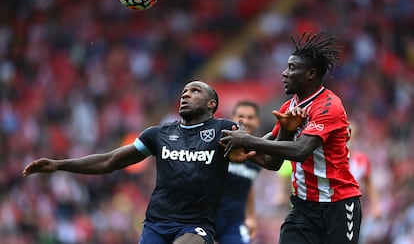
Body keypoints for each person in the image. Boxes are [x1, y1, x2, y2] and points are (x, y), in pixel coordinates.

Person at [22, 80, 257, 244]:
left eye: (195, 91)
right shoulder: (157, 134)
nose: (185, 94)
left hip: (195, 225)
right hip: (156, 224)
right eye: (184, 91)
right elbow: (110, 161)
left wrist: (260, 139)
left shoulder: (224, 129)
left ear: (211, 104)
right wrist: (59, 164)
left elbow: (265, 156)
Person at [220, 32, 363, 244]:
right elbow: (273, 161)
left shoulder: (328, 106)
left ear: (311, 74)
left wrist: (247, 141)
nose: (284, 73)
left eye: (292, 68)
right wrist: (239, 149)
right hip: (303, 208)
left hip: (338, 206)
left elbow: (300, 151)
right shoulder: (290, 107)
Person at [215, 100, 262, 244]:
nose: (246, 121)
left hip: (233, 224)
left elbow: (248, 185)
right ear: (232, 119)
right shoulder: (217, 146)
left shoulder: (257, 155)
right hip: (204, 219)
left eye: (250, 117)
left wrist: (251, 217)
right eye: (241, 116)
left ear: (257, 122)